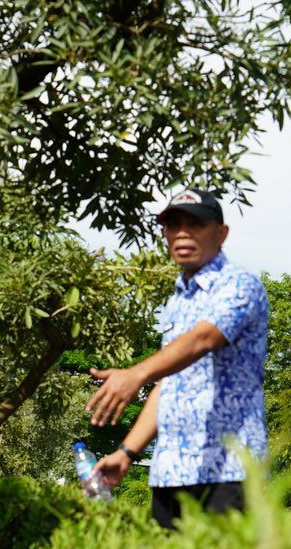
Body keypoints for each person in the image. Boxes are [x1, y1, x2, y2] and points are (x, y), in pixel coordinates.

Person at [86, 188, 269, 529]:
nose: (182, 233)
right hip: (171, 473)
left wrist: (134, 374)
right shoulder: (178, 300)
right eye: (173, 225)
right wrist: (127, 453)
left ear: (221, 233)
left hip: (228, 471)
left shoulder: (240, 285)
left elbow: (203, 339)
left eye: (195, 224)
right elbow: (170, 382)